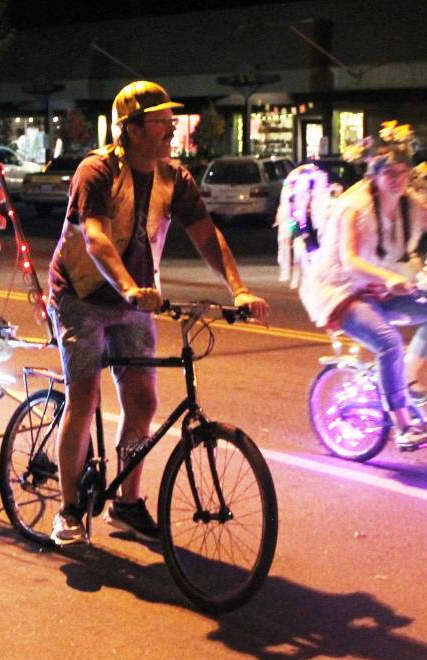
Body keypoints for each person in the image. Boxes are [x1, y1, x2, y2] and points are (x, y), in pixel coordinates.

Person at [46, 81, 269, 546]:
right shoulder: (97, 172)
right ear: (130, 129)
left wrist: (241, 289)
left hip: (135, 299)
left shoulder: (174, 178)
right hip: (82, 295)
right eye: (160, 122)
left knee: (143, 402)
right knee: (83, 400)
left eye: (171, 120)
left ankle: (126, 504)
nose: (170, 129)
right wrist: (128, 288)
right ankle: (68, 510)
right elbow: (96, 239)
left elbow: (207, 237)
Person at [298, 121, 427, 451]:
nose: (396, 179)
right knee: (388, 342)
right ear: (373, 174)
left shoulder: (409, 202)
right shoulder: (354, 207)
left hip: (382, 288)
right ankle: (403, 425)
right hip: (342, 290)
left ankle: (406, 378)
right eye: (388, 172)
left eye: (403, 172)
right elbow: (350, 259)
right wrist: (388, 277)